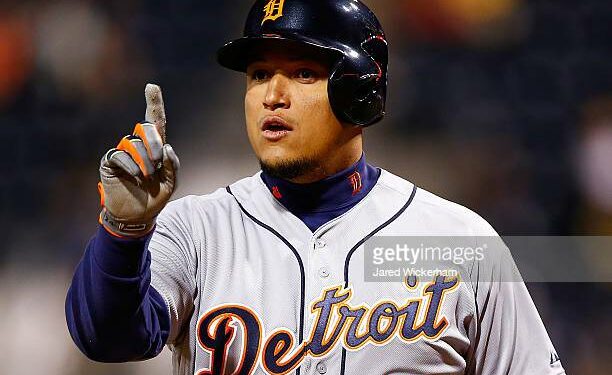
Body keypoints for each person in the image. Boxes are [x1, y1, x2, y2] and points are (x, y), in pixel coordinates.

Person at [65, 1, 566, 374]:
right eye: (260, 75)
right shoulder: (195, 231)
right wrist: (123, 231)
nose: (272, 97)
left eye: (303, 73)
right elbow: (105, 338)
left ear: (362, 93)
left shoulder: (458, 241)